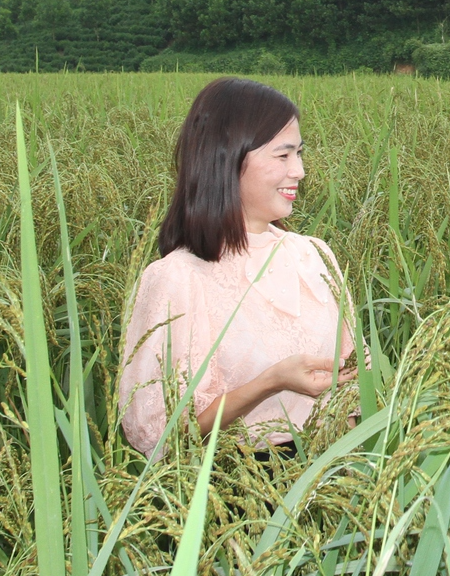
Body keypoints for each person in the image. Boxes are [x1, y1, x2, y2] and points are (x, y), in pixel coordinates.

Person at [117, 78, 354, 454]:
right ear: (228, 158)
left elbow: (354, 382)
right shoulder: (177, 278)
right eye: (283, 156)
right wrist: (270, 382)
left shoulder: (315, 255)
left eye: (300, 154)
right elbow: (160, 435)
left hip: (333, 476)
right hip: (236, 492)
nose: (300, 171)